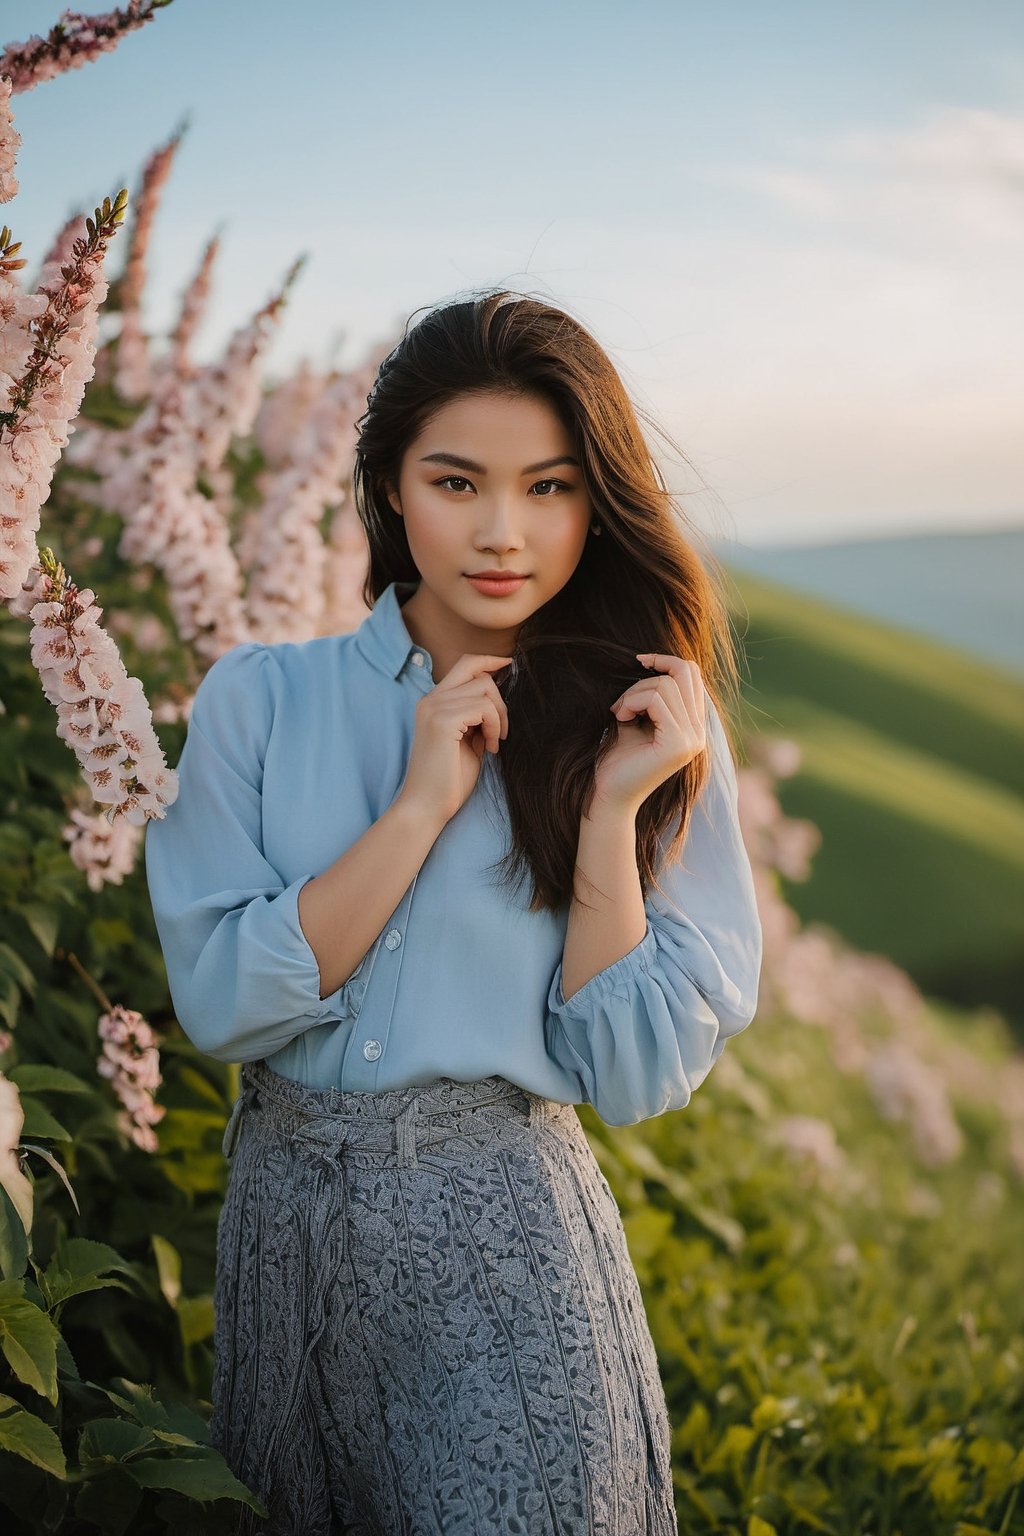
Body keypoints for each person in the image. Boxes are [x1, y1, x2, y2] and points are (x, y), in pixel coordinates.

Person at [144, 288, 763, 1536]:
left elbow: (631, 1071)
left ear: (598, 501)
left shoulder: (646, 731)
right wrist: (419, 806)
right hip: (284, 1255)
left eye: (549, 487)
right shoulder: (259, 701)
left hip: (507, 1263)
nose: (502, 532)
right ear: (386, 488)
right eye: (455, 481)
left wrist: (601, 825)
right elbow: (221, 1003)